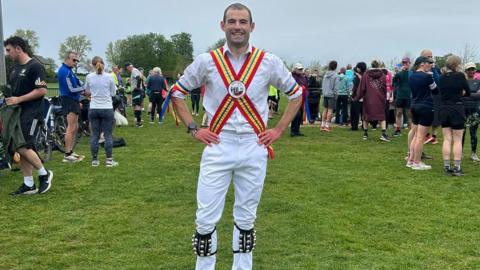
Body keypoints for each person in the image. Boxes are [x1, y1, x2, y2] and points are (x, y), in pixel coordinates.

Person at [168, 4, 303, 269]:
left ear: (252, 27)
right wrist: (194, 129)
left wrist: (278, 129)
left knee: (246, 218)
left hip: (254, 145)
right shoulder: (207, 61)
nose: (237, 26)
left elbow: (296, 94)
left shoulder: (268, 61)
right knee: (205, 218)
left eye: (243, 22)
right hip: (218, 144)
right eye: (232, 21)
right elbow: (177, 92)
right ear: (223, 25)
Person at [3, 36, 53, 195]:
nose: (7, 53)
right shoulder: (15, 69)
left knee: (24, 145)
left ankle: (44, 174)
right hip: (16, 112)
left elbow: (42, 90)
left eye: (9, 50)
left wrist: (19, 99)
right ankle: (28, 183)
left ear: (18, 48)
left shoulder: (35, 66)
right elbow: (15, 92)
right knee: (19, 145)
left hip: (32, 112)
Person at [438, 55, 471, 176]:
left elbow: (440, 92)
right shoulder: (460, 76)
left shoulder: (441, 77)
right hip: (457, 108)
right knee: (457, 140)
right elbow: (467, 92)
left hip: (444, 108)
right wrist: (460, 93)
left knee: (447, 139)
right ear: (457, 64)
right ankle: (457, 168)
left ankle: (446, 167)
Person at [84, 57, 118, 167]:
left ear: (93, 65)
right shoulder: (109, 77)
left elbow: (87, 91)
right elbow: (113, 93)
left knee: (95, 135)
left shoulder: (89, 77)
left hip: (94, 108)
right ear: (103, 64)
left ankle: (95, 160)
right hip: (107, 108)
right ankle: (109, 160)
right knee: (108, 135)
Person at [406, 56, 438, 170]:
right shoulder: (427, 77)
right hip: (426, 107)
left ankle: (410, 160)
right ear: (421, 64)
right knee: (420, 137)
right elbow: (435, 90)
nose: (429, 65)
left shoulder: (411, 77)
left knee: (416, 135)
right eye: (428, 63)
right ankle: (417, 162)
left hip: (414, 105)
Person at [57, 51, 85, 163]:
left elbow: (79, 82)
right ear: (67, 59)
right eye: (74, 60)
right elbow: (71, 89)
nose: (75, 62)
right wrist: (83, 89)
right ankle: (67, 154)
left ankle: (71, 151)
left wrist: (83, 86)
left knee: (75, 126)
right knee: (71, 127)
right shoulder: (64, 71)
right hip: (68, 100)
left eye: (77, 61)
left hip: (73, 100)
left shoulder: (70, 71)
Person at [354, 60, 389, 141]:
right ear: (378, 65)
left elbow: (362, 88)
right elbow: (384, 88)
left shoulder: (366, 75)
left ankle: (365, 134)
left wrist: (357, 98)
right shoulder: (383, 75)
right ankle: (383, 134)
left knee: (366, 116)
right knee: (382, 117)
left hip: (368, 98)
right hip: (380, 98)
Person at [421, 49, 441, 145]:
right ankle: (426, 135)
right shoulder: (419, 68)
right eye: (428, 57)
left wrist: (433, 68)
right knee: (425, 117)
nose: (430, 58)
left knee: (436, 117)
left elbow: (438, 80)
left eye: (431, 56)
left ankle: (434, 136)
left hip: (435, 95)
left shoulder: (435, 68)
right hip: (424, 96)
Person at [463, 62, 480, 162]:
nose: (472, 71)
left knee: (474, 133)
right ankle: (459, 152)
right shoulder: (462, 82)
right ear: (466, 71)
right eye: (469, 69)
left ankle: (473, 153)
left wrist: (467, 94)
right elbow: (461, 94)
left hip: (475, 110)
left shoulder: (479, 82)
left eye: (473, 69)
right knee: (462, 132)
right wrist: (474, 94)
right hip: (463, 110)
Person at [393, 57, 412, 136]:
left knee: (409, 114)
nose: (405, 64)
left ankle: (411, 131)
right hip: (400, 96)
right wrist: (397, 87)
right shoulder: (399, 73)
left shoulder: (411, 73)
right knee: (399, 112)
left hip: (408, 96)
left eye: (406, 63)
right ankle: (398, 130)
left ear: (409, 63)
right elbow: (393, 81)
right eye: (403, 63)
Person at [290, 63, 308, 136]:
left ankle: (297, 130)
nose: (300, 70)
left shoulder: (302, 77)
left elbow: (306, 85)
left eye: (301, 69)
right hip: (294, 97)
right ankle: (293, 131)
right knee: (296, 114)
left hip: (302, 97)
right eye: (299, 69)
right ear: (295, 69)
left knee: (300, 114)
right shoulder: (292, 76)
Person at [321, 60, 339, 131]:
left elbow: (323, 85)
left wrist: (323, 92)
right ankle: (327, 126)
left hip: (325, 94)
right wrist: (335, 94)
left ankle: (322, 125)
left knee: (325, 109)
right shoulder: (336, 75)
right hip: (331, 95)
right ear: (335, 67)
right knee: (330, 110)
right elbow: (336, 87)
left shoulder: (325, 75)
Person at [126, 63, 145, 127]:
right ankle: (137, 120)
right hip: (137, 91)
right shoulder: (135, 70)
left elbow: (139, 78)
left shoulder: (134, 71)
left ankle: (139, 123)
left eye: (127, 69)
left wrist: (137, 87)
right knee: (136, 105)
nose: (127, 70)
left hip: (137, 91)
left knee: (137, 105)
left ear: (129, 67)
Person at [350, 62, 367, 131]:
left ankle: (354, 126)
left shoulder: (357, 77)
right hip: (365, 97)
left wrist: (352, 96)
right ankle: (364, 126)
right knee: (364, 113)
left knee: (355, 113)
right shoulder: (366, 76)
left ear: (359, 68)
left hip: (357, 96)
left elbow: (355, 87)